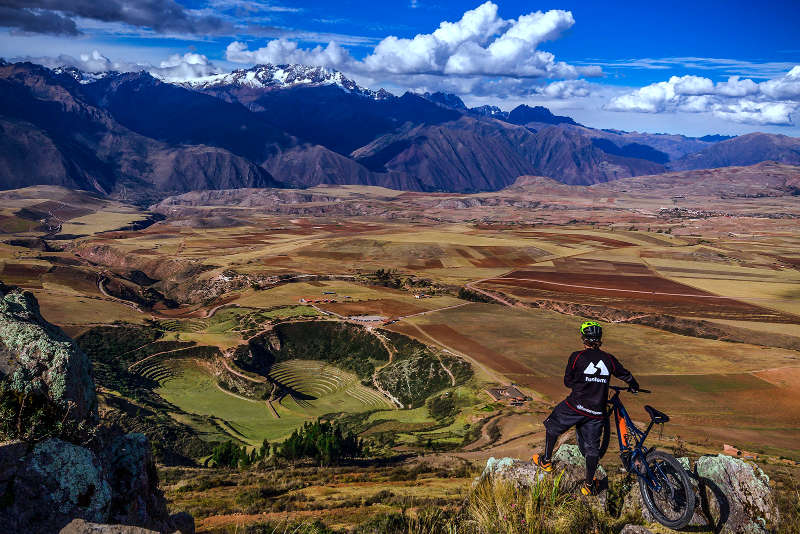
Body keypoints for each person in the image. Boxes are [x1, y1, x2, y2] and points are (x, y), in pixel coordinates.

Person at [531, 320, 639, 496]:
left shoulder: (576, 357)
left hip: (575, 405)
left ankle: (547, 461)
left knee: (553, 425)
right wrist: (634, 385)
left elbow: (567, 382)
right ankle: (589, 485)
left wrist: (582, 384)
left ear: (583, 338)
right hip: (597, 412)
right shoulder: (609, 359)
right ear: (600, 338)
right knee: (592, 450)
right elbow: (625, 375)